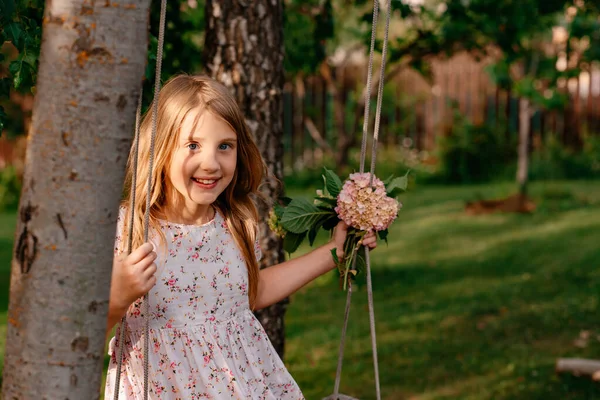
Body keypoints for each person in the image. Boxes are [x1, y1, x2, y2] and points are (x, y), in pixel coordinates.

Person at [105, 74, 377, 399]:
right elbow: (78, 337)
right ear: (161, 147)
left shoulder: (235, 222)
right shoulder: (129, 229)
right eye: (192, 145)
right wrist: (118, 296)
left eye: (225, 146)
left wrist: (335, 251)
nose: (211, 163)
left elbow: (251, 291)